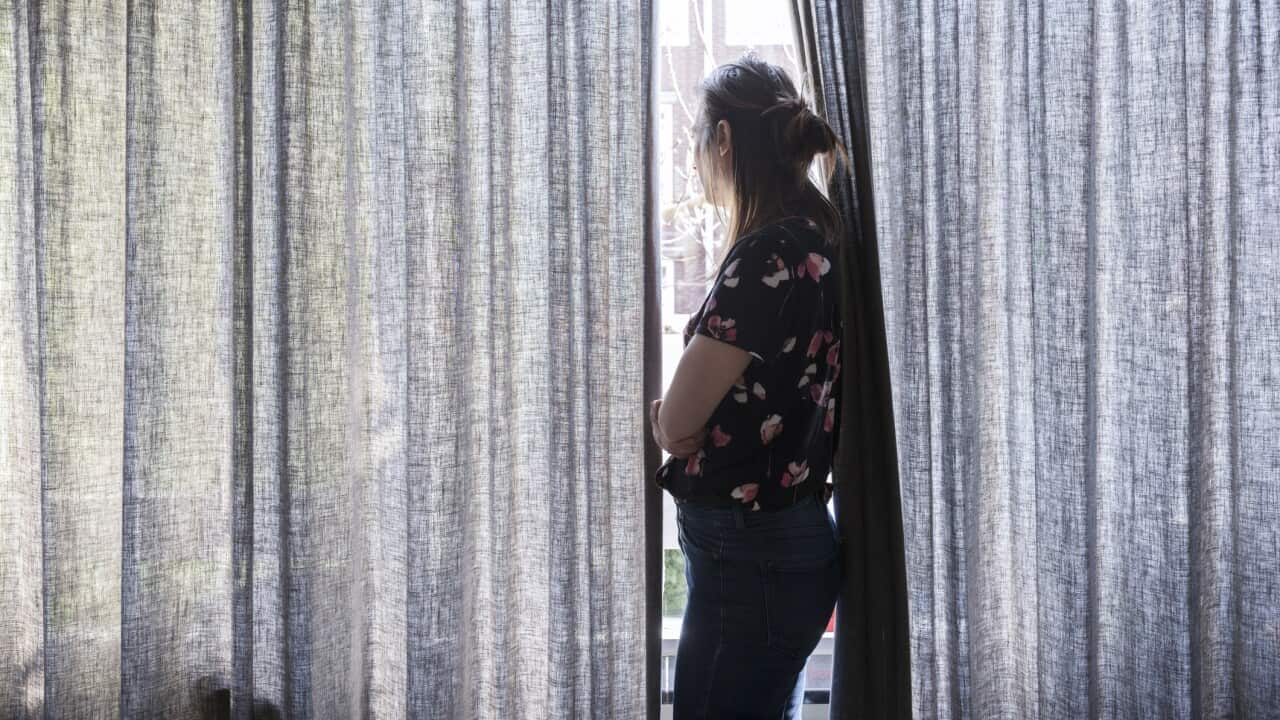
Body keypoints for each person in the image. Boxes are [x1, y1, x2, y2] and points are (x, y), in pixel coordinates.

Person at [651, 52, 849, 719]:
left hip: (749, 557)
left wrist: (664, 420)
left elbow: (677, 425)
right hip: (784, 543)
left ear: (725, 139)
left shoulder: (767, 254)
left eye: (696, 138)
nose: (694, 155)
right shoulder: (819, 239)